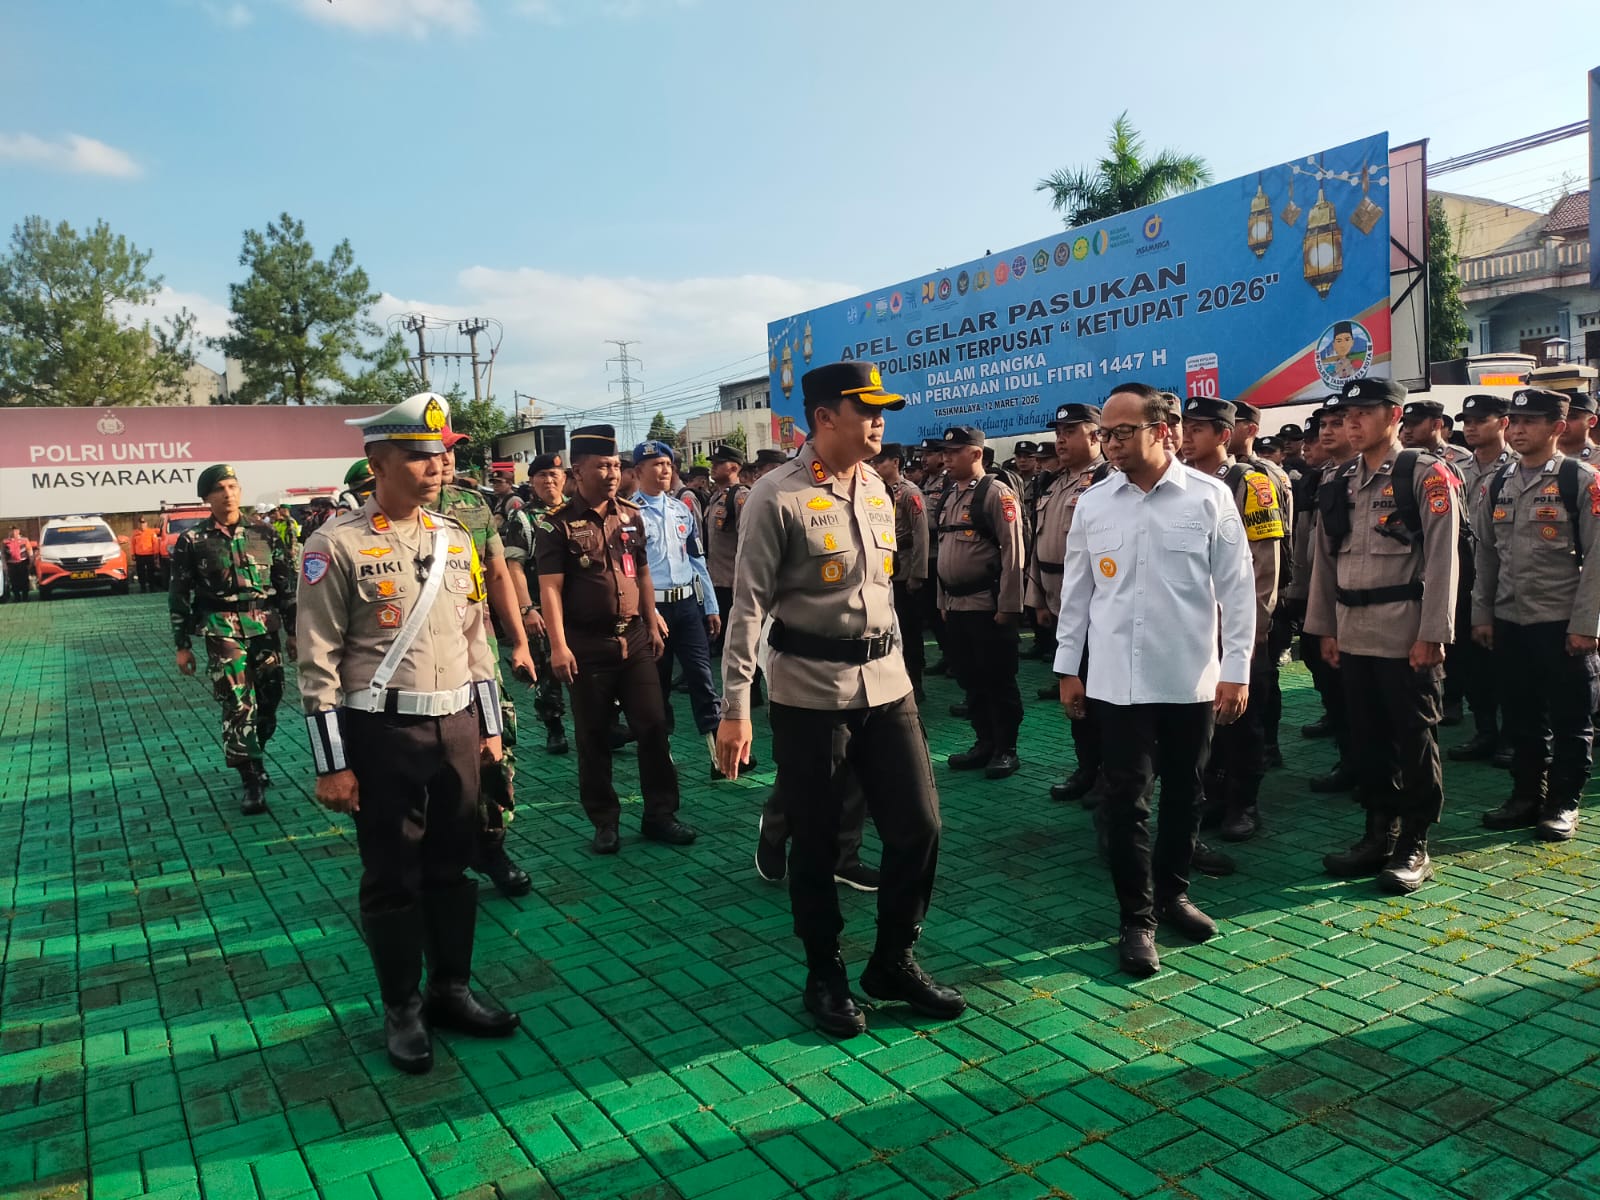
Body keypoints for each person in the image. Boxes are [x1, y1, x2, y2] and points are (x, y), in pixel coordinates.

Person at [716, 361, 962, 1039]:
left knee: (919, 826)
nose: (880, 420)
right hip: (809, 693)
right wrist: (735, 707)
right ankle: (824, 972)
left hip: (887, 685)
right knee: (819, 844)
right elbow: (747, 609)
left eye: (883, 409)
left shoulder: (880, 489)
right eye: (866, 409)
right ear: (825, 418)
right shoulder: (776, 495)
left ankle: (892, 960)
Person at [296, 391, 519, 1075]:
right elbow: (317, 662)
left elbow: (476, 638)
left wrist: (487, 727)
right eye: (422, 457)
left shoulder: (454, 539)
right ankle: (403, 1008)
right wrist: (333, 765)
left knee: (454, 868)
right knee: (393, 875)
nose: (438, 469)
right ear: (379, 461)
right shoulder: (334, 545)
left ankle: (452, 989)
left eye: (443, 457)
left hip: (456, 726)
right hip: (381, 732)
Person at [1056, 382, 1255, 976]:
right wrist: (1069, 666)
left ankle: (1173, 895)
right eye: (1105, 434)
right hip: (1116, 682)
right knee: (1126, 802)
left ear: (1162, 429)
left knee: (1186, 795)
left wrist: (1237, 669)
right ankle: (1136, 918)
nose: (1109, 444)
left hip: (1189, 676)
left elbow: (1238, 590)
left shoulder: (1209, 497)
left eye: (1121, 431)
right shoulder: (1095, 503)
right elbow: (1078, 592)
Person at [1306, 377, 1462, 892]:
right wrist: (1324, 628)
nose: (1351, 422)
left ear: (1394, 416)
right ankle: (1378, 832)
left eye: (1364, 413)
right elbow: (1325, 562)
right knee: (1367, 738)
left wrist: (1433, 633)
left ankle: (1414, 842)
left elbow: (1444, 558)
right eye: (1346, 415)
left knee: (1414, 739)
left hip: (1406, 631)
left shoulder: (1424, 472)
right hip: (1353, 633)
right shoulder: (1340, 480)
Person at [535, 425, 698, 854]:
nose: (610, 473)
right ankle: (604, 822)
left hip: (636, 639)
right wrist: (558, 645)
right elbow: (549, 588)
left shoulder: (630, 515)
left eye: (614, 465)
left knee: (654, 725)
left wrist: (652, 616)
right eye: (600, 466)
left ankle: (660, 814)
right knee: (592, 736)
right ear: (578, 471)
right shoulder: (556, 526)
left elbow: (640, 571)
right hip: (586, 646)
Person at [1471, 388, 1600, 841]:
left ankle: (1563, 803)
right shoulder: (1497, 482)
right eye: (1514, 421)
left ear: (1558, 428)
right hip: (1511, 621)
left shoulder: (1580, 480)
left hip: (1562, 624)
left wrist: (1587, 625)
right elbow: (1485, 554)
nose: (1519, 429)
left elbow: (1598, 558)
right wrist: (1482, 614)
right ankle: (1527, 795)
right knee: (1521, 717)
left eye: (1531, 421)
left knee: (1571, 720)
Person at [438, 429, 538, 899]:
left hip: (477, 653)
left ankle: (492, 845)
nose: (443, 459)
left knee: (498, 748)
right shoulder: (381, 517)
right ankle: (443, 854)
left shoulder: (472, 506)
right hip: (419, 662)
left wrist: (518, 641)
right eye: (434, 450)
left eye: (450, 450)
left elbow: (497, 573)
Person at [1181, 398, 1285, 842]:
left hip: (1238, 629)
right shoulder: (1180, 484)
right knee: (1205, 724)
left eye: (1198, 429)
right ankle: (1215, 798)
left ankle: (1245, 804)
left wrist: (1250, 632)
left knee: (1244, 724)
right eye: (1184, 427)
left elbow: (1264, 566)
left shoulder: (1252, 482)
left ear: (1225, 435)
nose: (1186, 436)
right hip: (1195, 630)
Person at [170, 465, 296, 815]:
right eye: (219, 488)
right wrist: (182, 645)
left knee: (270, 700)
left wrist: (294, 631)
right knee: (239, 703)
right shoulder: (192, 540)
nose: (228, 493)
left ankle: (256, 753)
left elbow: (286, 584)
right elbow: (179, 594)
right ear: (206, 497)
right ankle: (251, 778)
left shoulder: (265, 532)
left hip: (264, 627)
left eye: (232, 486)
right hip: (221, 627)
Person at [1028, 404, 1109, 804]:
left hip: (1100, 609)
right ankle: (1086, 768)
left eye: (1069, 431)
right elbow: (1036, 546)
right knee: (1075, 692)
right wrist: (1037, 598)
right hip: (1062, 603)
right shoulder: (1050, 484)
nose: (1060, 439)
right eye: (1058, 431)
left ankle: (1109, 775)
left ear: (1095, 435)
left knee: (1103, 697)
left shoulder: (1110, 478)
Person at [935, 426, 1026, 778]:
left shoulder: (995, 493)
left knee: (998, 680)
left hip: (988, 607)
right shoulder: (948, 494)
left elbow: (1013, 551)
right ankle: (984, 742)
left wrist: (1009, 606)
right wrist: (943, 600)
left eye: (955, 452)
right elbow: (945, 551)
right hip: (957, 607)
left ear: (976, 454)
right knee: (970, 679)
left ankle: (1007, 748)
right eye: (945, 452)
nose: (947, 458)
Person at [630, 439, 722, 765]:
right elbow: (629, 573)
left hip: (686, 606)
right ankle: (661, 756)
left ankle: (717, 755)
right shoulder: (630, 514)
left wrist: (710, 606)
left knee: (702, 677)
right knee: (658, 684)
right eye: (656, 464)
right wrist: (649, 612)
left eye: (668, 464)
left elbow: (698, 561)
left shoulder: (681, 509)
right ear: (638, 471)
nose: (664, 470)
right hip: (652, 610)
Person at [1448, 394, 1513, 764]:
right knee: (1469, 661)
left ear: (1503, 422)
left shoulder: (1519, 467)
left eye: (1479, 420)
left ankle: (1510, 736)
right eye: (1466, 421)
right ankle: (1485, 730)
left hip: (1504, 575)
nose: (1470, 427)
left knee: (1507, 662)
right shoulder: (1457, 467)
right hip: (1464, 574)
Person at [869, 443, 930, 698]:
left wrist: (918, 573)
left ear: (895, 462)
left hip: (904, 568)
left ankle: (915, 681)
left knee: (909, 630)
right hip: (885, 571)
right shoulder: (876, 490)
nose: (875, 466)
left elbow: (921, 533)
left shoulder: (908, 491)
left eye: (881, 461)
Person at [523, 452, 571, 754]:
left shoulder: (576, 511)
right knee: (548, 673)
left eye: (554, 475)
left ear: (564, 479)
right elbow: (513, 566)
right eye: (542, 476)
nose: (549, 480)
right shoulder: (524, 517)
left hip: (577, 606)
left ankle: (606, 724)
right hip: (540, 607)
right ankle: (555, 729)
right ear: (532, 482)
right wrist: (526, 608)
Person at [704, 445, 749, 653]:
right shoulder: (716, 498)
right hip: (716, 580)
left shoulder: (740, 497)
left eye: (719, 463)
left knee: (738, 643)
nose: (713, 467)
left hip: (733, 582)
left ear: (734, 467)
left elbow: (748, 540)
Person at [129, 516, 161, 592]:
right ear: (138, 524)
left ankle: (151, 587)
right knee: (140, 572)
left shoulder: (151, 532)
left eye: (143, 522)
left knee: (151, 571)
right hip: (139, 556)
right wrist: (132, 554)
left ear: (146, 523)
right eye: (141, 523)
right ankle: (142, 587)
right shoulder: (135, 533)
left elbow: (155, 543)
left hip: (149, 555)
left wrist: (156, 553)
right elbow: (132, 544)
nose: (142, 524)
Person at [5, 526, 34, 602]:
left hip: (23, 563)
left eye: (14, 531)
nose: (12, 532)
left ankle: (25, 597)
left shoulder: (24, 540)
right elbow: (3, 554)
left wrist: (31, 562)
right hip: (11, 564)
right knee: (14, 581)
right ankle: (17, 597)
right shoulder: (5, 542)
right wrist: (5, 565)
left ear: (18, 531)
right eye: (11, 531)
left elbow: (29, 551)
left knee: (24, 580)